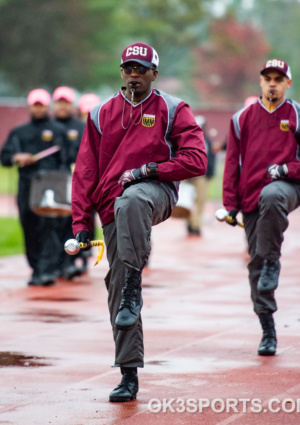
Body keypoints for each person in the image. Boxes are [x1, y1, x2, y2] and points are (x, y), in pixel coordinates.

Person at [71, 41, 207, 402]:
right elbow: (85, 172)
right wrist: (80, 224)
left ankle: (134, 279)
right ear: (121, 71)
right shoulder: (100, 113)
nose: (135, 73)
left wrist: (150, 170)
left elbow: (197, 160)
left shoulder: (174, 109)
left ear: (154, 74)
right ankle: (128, 374)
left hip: (155, 194)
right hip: (111, 207)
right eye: (129, 67)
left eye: (142, 69)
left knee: (132, 197)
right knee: (116, 287)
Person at [222, 59, 300, 356]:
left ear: (287, 84)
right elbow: (231, 164)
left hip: (289, 187)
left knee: (273, 195)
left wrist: (286, 170)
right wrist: (230, 205)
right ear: (260, 81)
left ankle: (273, 261)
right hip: (250, 198)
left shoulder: (296, 115)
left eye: (278, 79)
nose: (272, 83)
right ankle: (268, 328)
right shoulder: (241, 118)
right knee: (256, 266)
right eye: (267, 78)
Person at [0, 89, 69, 286]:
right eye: (35, 104)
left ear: (47, 106)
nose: (38, 108)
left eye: (41, 104)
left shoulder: (58, 131)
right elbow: (4, 158)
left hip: (50, 186)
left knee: (48, 227)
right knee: (28, 227)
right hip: (26, 185)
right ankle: (36, 268)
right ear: (30, 106)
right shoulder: (18, 132)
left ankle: (47, 271)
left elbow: (66, 161)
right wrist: (16, 158)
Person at [52, 86, 87, 279]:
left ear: (72, 104)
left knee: (71, 222)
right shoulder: (48, 126)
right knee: (52, 223)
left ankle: (69, 262)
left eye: (66, 102)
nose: (62, 106)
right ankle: (55, 263)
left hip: (75, 181)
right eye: (59, 102)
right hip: (52, 182)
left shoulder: (81, 127)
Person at [186, 115, 216, 236]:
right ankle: (193, 225)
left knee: (199, 201)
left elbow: (210, 158)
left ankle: (194, 225)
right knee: (191, 202)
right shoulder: (191, 140)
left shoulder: (206, 140)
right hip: (193, 175)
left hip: (202, 175)